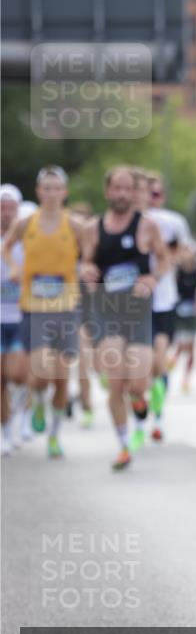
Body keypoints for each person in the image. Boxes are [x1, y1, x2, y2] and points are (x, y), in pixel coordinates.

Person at [81, 166, 167, 470]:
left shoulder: (147, 226)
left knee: (136, 383)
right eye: (115, 188)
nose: (120, 194)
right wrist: (86, 271)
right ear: (107, 192)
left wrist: (152, 279)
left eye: (126, 188)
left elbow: (164, 259)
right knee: (116, 383)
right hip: (107, 313)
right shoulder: (93, 228)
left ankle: (141, 399)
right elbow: (86, 262)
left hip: (138, 314)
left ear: (134, 192)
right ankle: (122, 446)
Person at [2, 167, 86, 459]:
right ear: (39, 192)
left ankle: (54, 434)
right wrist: (14, 268)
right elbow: (7, 247)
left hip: (65, 307)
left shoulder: (75, 226)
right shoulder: (26, 224)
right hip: (34, 308)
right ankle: (37, 401)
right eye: (46, 188)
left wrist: (86, 267)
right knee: (39, 375)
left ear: (64, 192)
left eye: (56, 188)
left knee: (62, 379)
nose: (51, 194)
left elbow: (91, 252)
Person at [144, 171, 191, 443]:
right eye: (148, 193)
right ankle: (140, 403)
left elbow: (186, 252)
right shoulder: (132, 223)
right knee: (141, 364)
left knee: (159, 362)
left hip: (164, 300)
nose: (153, 199)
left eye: (157, 194)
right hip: (133, 302)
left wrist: (170, 258)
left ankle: (158, 417)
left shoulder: (173, 222)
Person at [1, 185, 29, 453]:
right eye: (2, 207)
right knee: (1, 378)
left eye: (11, 207)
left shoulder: (26, 242)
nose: (6, 212)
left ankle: (23, 417)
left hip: (21, 317)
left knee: (18, 375)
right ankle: (5, 430)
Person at [168, 241, 196, 393]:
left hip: (192, 312)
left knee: (192, 348)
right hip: (179, 312)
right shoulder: (177, 271)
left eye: (190, 252)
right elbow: (169, 288)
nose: (188, 255)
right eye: (185, 251)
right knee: (180, 344)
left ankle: (186, 380)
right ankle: (172, 361)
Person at [69, 201, 95, 428]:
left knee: (100, 362)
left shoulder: (97, 249)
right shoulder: (66, 251)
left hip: (100, 310)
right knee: (82, 361)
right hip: (75, 309)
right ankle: (86, 405)